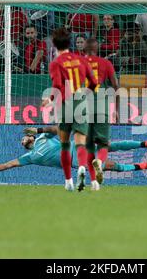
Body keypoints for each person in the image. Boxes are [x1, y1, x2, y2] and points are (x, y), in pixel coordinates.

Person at [0, 125, 147, 186]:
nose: (23, 139)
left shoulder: (42, 138)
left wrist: (38, 129)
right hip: (75, 159)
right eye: (22, 141)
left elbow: (56, 129)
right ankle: (141, 166)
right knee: (113, 165)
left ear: (31, 136)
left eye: (25, 136)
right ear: (25, 146)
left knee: (111, 146)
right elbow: (8, 165)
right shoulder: (30, 157)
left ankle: (144, 144)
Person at [44, 27, 97, 192]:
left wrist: (50, 99)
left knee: (65, 144)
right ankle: (82, 167)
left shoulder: (56, 63)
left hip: (64, 103)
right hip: (80, 101)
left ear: (54, 44)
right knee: (81, 142)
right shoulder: (81, 60)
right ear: (70, 43)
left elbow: (58, 85)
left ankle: (68, 181)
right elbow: (94, 82)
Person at [84, 38, 119, 186]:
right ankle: (100, 162)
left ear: (84, 49)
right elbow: (116, 86)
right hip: (102, 108)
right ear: (97, 48)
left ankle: (93, 182)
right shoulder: (106, 63)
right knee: (103, 144)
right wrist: (116, 110)